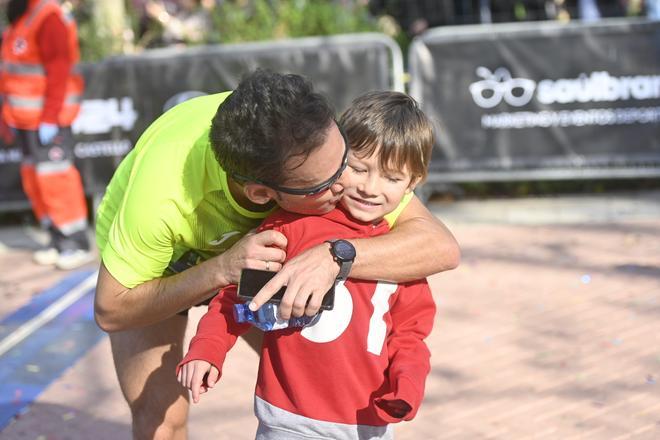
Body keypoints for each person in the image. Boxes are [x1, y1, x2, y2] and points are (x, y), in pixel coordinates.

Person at [94, 70, 460, 439]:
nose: (349, 184)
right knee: (162, 417)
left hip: (257, 251)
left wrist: (335, 255)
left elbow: (439, 247)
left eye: (345, 160)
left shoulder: (316, 146)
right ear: (262, 195)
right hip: (163, 265)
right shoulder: (162, 197)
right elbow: (111, 309)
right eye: (327, 184)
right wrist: (220, 269)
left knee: (304, 370)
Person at [177, 90, 439, 439]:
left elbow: (410, 334)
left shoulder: (400, 252)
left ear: (412, 183)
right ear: (339, 157)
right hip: (289, 419)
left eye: (391, 178)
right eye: (359, 169)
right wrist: (206, 350)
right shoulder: (289, 227)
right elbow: (237, 298)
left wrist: (407, 384)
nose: (370, 188)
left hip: (369, 425)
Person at [0, 0, 91, 270]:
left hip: (47, 119)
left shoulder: (47, 16)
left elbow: (59, 72)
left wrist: (49, 117)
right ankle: (56, 239)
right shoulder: (21, 16)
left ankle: (75, 243)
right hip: (24, 120)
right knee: (35, 181)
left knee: (56, 180)